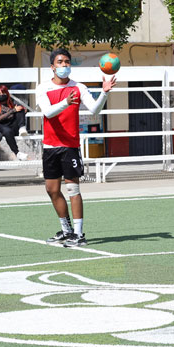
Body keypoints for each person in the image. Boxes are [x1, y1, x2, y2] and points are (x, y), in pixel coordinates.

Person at [36, 48, 116, 247]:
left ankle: (79, 235)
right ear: (52, 66)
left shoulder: (79, 87)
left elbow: (95, 109)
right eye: (60, 62)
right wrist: (65, 102)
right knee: (51, 189)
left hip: (69, 145)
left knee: (73, 188)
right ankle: (66, 230)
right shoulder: (43, 87)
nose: (64, 66)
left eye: (67, 62)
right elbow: (48, 112)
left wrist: (104, 93)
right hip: (50, 146)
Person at [0, 86, 29, 160]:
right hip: (1, 126)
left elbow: (18, 112)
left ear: (7, 93)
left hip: (12, 125)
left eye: (3, 93)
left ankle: (22, 128)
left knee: (20, 108)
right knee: (7, 131)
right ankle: (17, 153)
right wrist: (13, 110)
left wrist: (24, 110)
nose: (1, 95)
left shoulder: (11, 103)